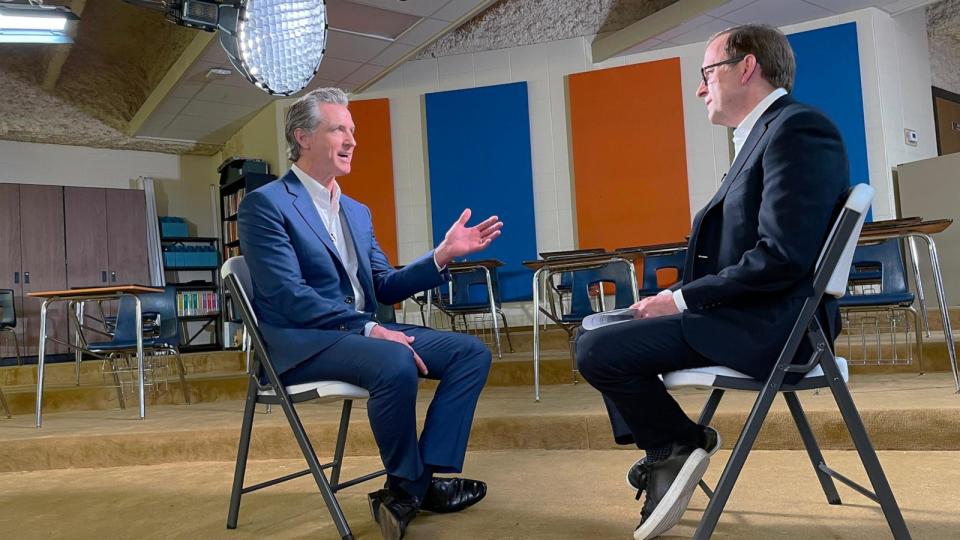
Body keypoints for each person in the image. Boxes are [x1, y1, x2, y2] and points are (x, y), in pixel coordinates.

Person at [575, 24, 849, 540]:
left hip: (774, 328)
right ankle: (671, 447)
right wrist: (675, 301)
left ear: (746, 67)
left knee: (597, 350)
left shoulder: (798, 130)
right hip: (749, 317)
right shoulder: (768, 134)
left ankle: (676, 447)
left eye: (707, 73)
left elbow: (782, 257)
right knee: (595, 329)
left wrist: (680, 299)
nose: (701, 88)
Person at [238, 87, 502, 540]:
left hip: (362, 334)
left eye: (353, 130)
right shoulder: (265, 204)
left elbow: (383, 284)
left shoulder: (357, 212)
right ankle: (417, 486)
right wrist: (369, 326)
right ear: (302, 137)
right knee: (394, 359)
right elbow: (287, 296)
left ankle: (411, 485)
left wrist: (440, 256)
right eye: (338, 128)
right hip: (303, 341)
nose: (352, 139)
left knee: (470, 353)